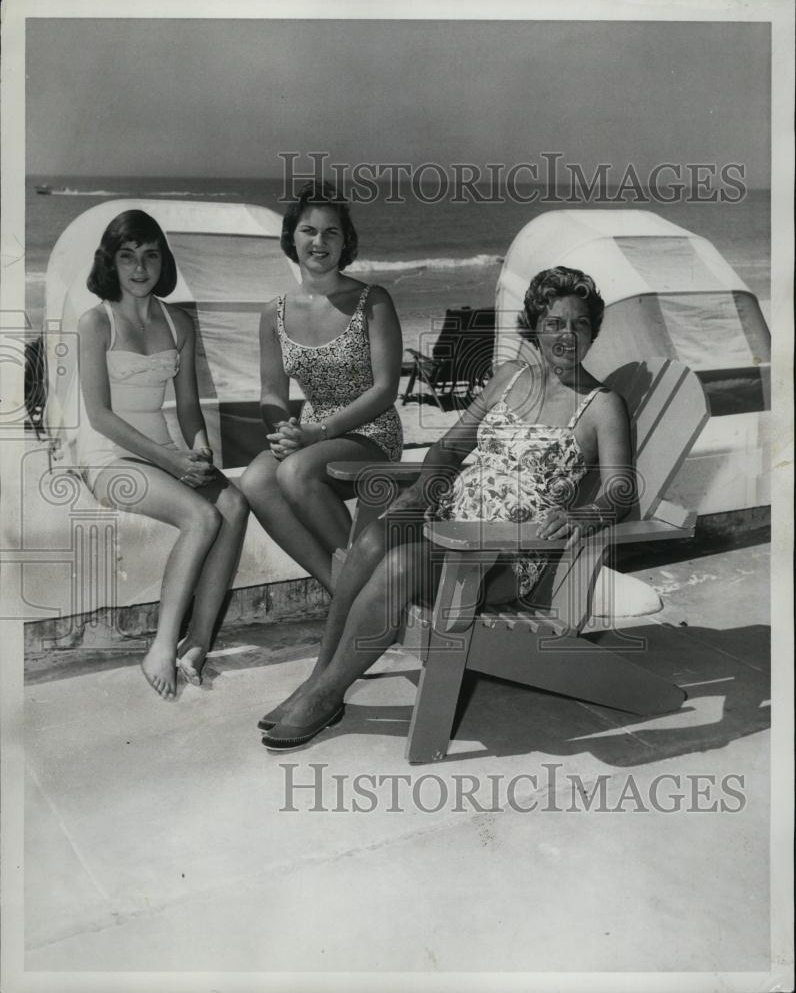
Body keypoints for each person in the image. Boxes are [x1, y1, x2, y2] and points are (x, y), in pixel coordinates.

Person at [258, 266, 634, 750]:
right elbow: (448, 449)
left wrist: (585, 515)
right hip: (449, 525)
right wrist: (421, 494)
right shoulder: (509, 378)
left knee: (400, 564)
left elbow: (621, 491)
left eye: (579, 324)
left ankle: (326, 695)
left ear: (593, 331)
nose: (566, 335)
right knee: (373, 538)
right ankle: (317, 679)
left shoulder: (603, 406)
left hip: (506, 554)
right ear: (535, 326)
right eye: (555, 322)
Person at [76, 210, 249, 698]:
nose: (139, 267)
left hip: (165, 450)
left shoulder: (178, 323)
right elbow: (100, 416)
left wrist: (198, 449)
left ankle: (197, 641)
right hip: (111, 456)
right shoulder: (96, 322)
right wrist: (173, 462)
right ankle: (160, 645)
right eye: (127, 256)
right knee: (201, 517)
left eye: (150, 255)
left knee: (234, 504)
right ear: (111, 261)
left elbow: (190, 409)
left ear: (163, 261)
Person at [239, 182, 403, 592]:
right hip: (310, 436)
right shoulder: (272, 313)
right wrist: (282, 431)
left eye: (332, 231)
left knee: (294, 473)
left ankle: (363, 578)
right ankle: (341, 585)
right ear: (292, 238)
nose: (319, 240)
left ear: (345, 242)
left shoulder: (373, 301)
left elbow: (385, 389)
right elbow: (272, 391)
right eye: (309, 230)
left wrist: (317, 433)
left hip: (370, 432)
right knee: (256, 481)